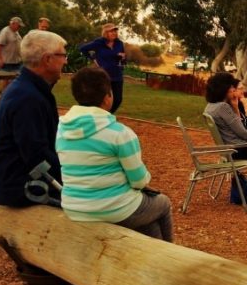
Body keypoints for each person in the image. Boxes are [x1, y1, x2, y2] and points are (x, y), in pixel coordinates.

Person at [56, 66, 174, 242]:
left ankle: (159, 255)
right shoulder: (119, 133)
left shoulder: (61, 128)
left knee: (149, 222)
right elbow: (139, 181)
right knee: (163, 203)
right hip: (113, 209)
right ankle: (171, 253)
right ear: (107, 98)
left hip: (74, 207)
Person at [0, 30, 67, 206]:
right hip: (18, 187)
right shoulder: (28, 99)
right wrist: (74, 178)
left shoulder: (25, 88)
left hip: (12, 180)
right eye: (63, 55)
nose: (66, 60)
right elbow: (37, 157)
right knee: (94, 205)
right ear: (47, 59)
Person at [78, 23, 126, 115]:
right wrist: (93, 58)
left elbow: (122, 57)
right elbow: (83, 49)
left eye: (115, 31)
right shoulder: (99, 43)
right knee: (101, 98)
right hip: (103, 75)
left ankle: (106, 116)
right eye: (111, 31)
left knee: (118, 99)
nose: (114, 33)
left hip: (117, 75)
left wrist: (123, 58)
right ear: (106, 33)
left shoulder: (119, 43)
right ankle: (96, 116)